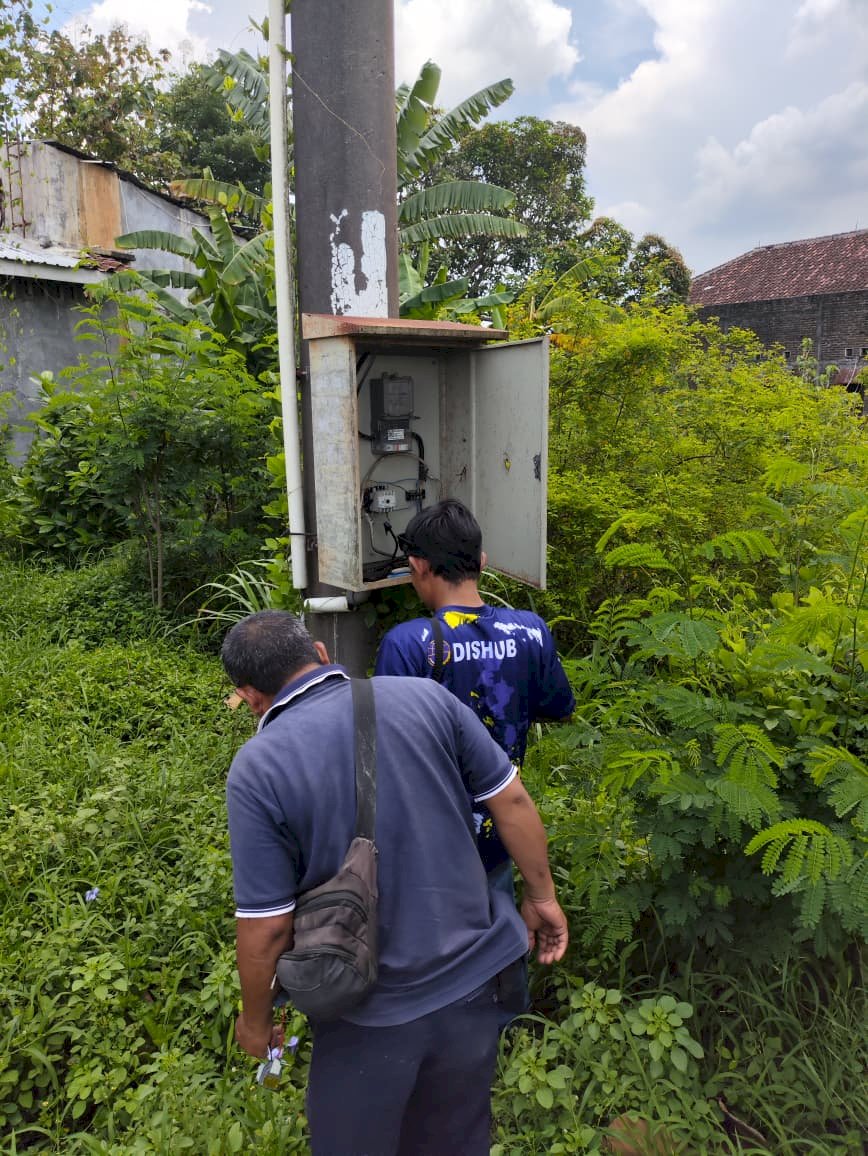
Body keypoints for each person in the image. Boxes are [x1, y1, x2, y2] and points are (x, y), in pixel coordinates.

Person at [221, 610, 569, 1156]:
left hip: (368, 1017)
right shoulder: (425, 698)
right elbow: (512, 801)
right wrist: (542, 896)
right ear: (319, 653)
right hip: (474, 989)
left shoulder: (258, 768)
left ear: (250, 695)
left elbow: (265, 927)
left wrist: (255, 1021)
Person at [375, 499, 576, 886]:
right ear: (481, 561)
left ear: (417, 567)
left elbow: (387, 750)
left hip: (430, 846)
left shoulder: (408, 644)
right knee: (497, 932)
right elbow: (559, 708)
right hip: (504, 830)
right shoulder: (531, 630)